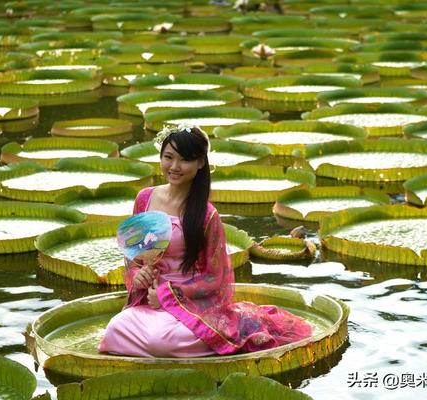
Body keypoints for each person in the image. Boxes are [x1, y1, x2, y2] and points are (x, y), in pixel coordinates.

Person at [98, 125, 312, 357]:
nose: (175, 167)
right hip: (149, 302)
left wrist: (169, 295)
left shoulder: (206, 215)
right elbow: (135, 256)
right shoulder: (145, 198)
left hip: (190, 305)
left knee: (164, 341)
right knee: (116, 329)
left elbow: (215, 278)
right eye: (168, 158)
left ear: (200, 163)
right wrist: (139, 276)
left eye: (185, 160)